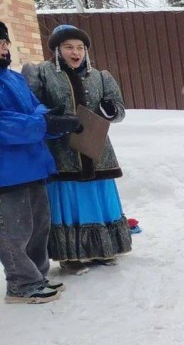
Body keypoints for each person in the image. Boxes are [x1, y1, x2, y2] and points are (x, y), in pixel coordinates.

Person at [23, 24, 132, 274]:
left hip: (97, 150)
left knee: (98, 199)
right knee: (69, 202)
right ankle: (70, 255)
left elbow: (119, 109)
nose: (76, 52)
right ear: (57, 50)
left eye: (80, 48)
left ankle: (104, 250)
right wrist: (55, 118)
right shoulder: (44, 74)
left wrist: (110, 110)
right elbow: (33, 106)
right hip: (63, 152)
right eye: (69, 47)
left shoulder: (101, 76)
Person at [0, 20, 82, 303]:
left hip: (33, 163)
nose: (3, 48)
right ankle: (21, 284)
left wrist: (51, 116)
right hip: (6, 171)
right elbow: (5, 124)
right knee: (13, 231)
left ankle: (37, 275)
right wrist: (43, 122)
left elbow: (33, 107)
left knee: (38, 226)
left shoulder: (11, 77)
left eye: (4, 43)